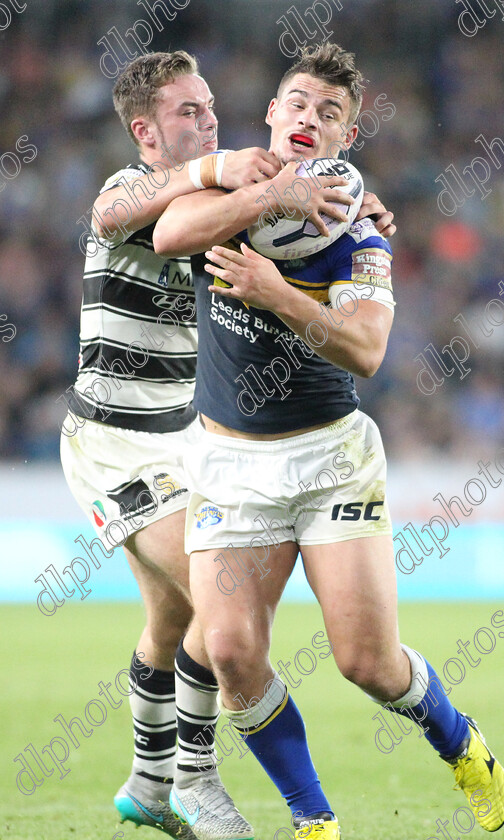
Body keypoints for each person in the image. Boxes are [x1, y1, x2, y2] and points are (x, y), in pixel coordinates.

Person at [153, 43, 504, 840]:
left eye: (331, 113)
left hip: (327, 461)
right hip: (228, 461)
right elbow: (173, 233)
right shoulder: (224, 176)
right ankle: (314, 820)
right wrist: (261, 198)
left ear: (346, 138)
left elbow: (367, 351)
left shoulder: (361, 234)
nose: (311, 119)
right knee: (232, 651)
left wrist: (277, 294)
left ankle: (460, 742)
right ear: (273, 116)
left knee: (366, 663)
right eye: (300, 105)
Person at [60, 50, 395, 840]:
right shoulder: (131, 186)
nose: (209, 122)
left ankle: (147, 784)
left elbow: (297, 230)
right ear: (145, 131)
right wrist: (251, 180)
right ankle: (196, 781)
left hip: (190, 442)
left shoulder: (230, 194)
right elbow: (112, 217)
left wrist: (356, 214)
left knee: (173, 625)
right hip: (114, 445)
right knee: (220, 619)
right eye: (187, 113)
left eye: (210, 107)